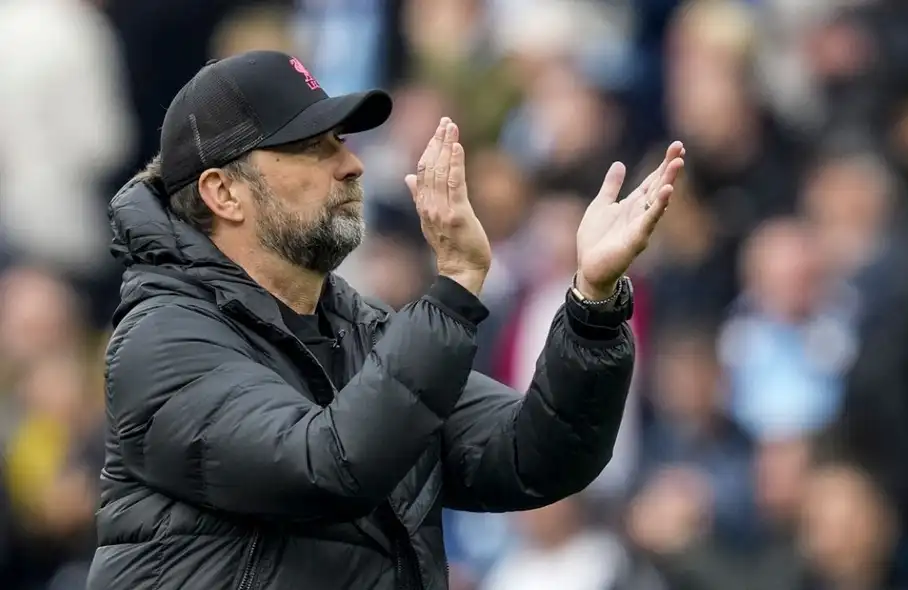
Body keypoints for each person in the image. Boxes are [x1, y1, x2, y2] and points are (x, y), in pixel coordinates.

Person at [86, 50, 685, 590]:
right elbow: (324, 466)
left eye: (342, 141)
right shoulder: (162, 340)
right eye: (313, 147)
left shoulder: (362, 327)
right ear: (223, 193)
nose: (352, 164)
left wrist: (593, 305)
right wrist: (452, 287)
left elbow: (537, 454)